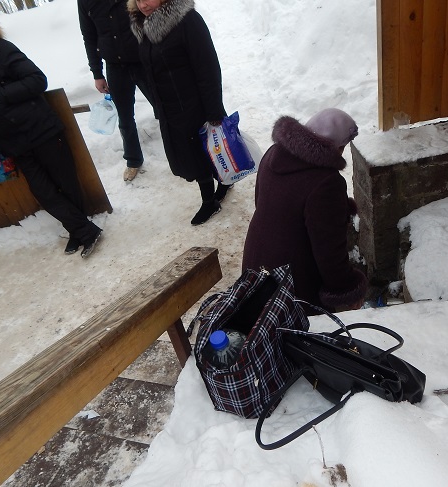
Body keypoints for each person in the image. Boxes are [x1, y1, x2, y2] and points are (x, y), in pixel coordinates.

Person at [0, 1, 102, 257]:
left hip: (40, 128)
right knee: (43, 191)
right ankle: (83, 229)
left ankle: (79, 230)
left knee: (66, 183)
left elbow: (37, 80)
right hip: (9, 138)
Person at [242, 108, 368, 313]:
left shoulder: (273, 153)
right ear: (338, 147)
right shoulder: (327, 183)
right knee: (298, 337)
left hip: (257, 263)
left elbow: (262, 201)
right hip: (293, 279)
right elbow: (329, 250)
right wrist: (347, 288)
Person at [128, 0, 231, 225]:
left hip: (195, 104)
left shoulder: (188, 20)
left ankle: (209, 201)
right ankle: (224, 181)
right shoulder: (143, 25)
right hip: (169, 107)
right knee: (188, 154)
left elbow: (208, 67)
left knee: (200, 152)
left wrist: (213, 109)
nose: (143, 4)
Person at [78, 0, 155, 182]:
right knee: (125, 118)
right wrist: (97, 73)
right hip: (115, 67)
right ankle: (133, 160)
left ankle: (182, 145)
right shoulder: (84, 2)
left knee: (164, 105)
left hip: (144, 60)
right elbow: (89, 36)